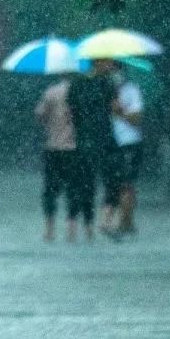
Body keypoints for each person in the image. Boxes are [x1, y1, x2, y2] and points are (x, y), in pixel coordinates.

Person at [66, 58, 118, 241]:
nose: (112, 65)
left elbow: (71, 112)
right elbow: (115, 109)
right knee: (112, 179)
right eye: (109, 62)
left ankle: (77, 227)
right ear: (99, 62)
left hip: (83, 140)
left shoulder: (76, 83)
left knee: (84, 184)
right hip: (104, 138)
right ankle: (103, 222)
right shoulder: (107, 83)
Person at [34, 75, 80, 242]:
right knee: (73, 189)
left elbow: (40, 115)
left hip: (53, 147)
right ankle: (71, 229)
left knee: (50, 190)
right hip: (74, 149)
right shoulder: (80, 93)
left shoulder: (51, 92)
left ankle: (49, 229)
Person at [107, 69, 145, 236]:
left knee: (126, 184)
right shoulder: (105, 91)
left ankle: (124, 222)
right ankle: (128, 222)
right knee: (119, 184)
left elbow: (137, 119)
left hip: (130, 143)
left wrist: (120, 111)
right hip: (111, 144)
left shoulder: (132, 90)